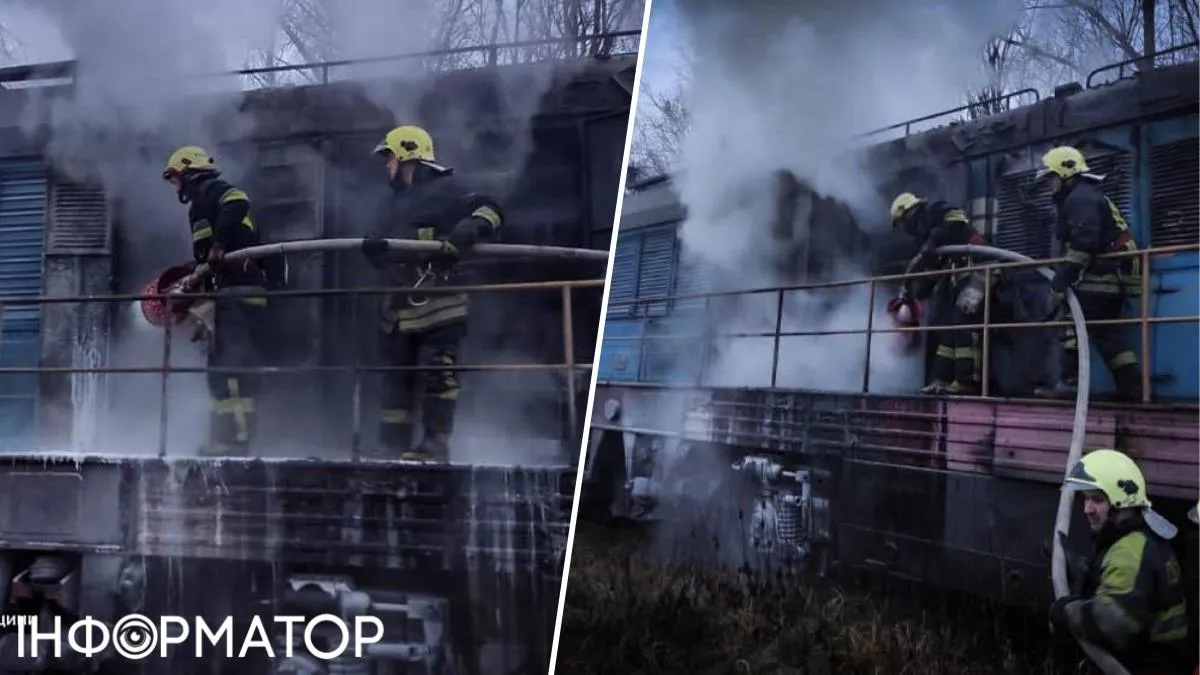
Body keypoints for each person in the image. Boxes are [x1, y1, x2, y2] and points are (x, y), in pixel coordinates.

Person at [362, 125, 503, 461]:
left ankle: (435, 444)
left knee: (438, 374)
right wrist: (373, 248)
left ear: (408, 154)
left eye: (390, 158)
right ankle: (391, 445)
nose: (387, 166)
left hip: (440, 303)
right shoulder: (391, 204)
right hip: (397, 309)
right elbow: (380, 242)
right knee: (395, 380)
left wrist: (465, 233)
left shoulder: (448, 190)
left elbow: (491, 210)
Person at [163, 145, 269, 457]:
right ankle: (229, 438)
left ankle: (234, 440)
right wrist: (193, 280)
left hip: (239, 292)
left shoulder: (212, 191)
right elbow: (208, 259)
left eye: (175, 178)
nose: (175, 186)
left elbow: (238, 201)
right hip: (231, 293)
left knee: (230, 368)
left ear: (188, 172)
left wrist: (220, 245)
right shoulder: (201, 203)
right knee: (223, 367)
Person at [1050, 448, 1190, 673]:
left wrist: (1066, 611)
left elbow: (1112, 622)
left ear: (1121, 503)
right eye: (1085, 499)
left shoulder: (1129, 552)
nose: (1087, 509)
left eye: (1097, 499)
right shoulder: (1144, 538)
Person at [1033, 146, 1143, 402]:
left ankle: (1069, 383)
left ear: (1065, 173)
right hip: (1114, 272)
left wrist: (1061, 280)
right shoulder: (1085, 195)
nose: (1049, 184)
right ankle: (1132, 386)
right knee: (1106, 333)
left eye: (1051, 178)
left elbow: (1084, 242)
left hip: (1106, 272)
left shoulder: (1080, 198)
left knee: (1072, 321)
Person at [889, 192, 989, 395]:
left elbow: (958, 216)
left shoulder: (931, 210)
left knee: (964, 314)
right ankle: (941, 379)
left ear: (905, 214)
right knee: (944, 320)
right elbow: (931, 266)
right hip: (959, 274)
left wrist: (933, 241)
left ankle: (967, 380)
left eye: (899, 224)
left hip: (983, 267)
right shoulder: (921, 236)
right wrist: (916, 291)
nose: (901, 230)